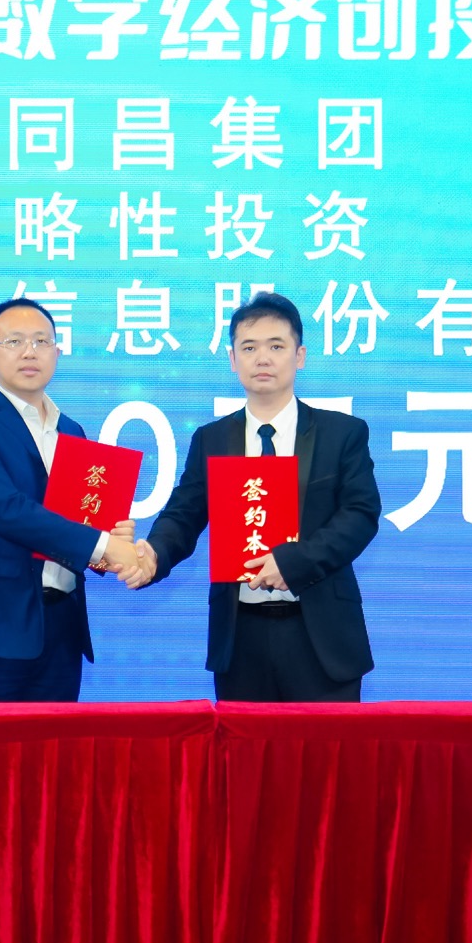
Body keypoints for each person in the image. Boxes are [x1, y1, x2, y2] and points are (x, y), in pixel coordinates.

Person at [127, 292, 381, 701]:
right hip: (239, 636)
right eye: (249, 348)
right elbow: (184, 514)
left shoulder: (342, 433)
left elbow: (360, 516)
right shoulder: (211, 439)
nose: (263, 358)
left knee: (327, 746)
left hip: (322, 637)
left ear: (300, 356)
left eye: (276, 346)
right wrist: (154, 553)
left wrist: (293, 562)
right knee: (242, 745)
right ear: (233, 359)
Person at [0, 297, 143, 702]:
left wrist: (108, 545)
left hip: (60, 631)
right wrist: (103, 545)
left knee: (55, 746)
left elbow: (74, 521)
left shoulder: (72, 431)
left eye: (42, 341)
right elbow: (7, 511)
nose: (30, 352)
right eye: (14, 341)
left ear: (57, 353)